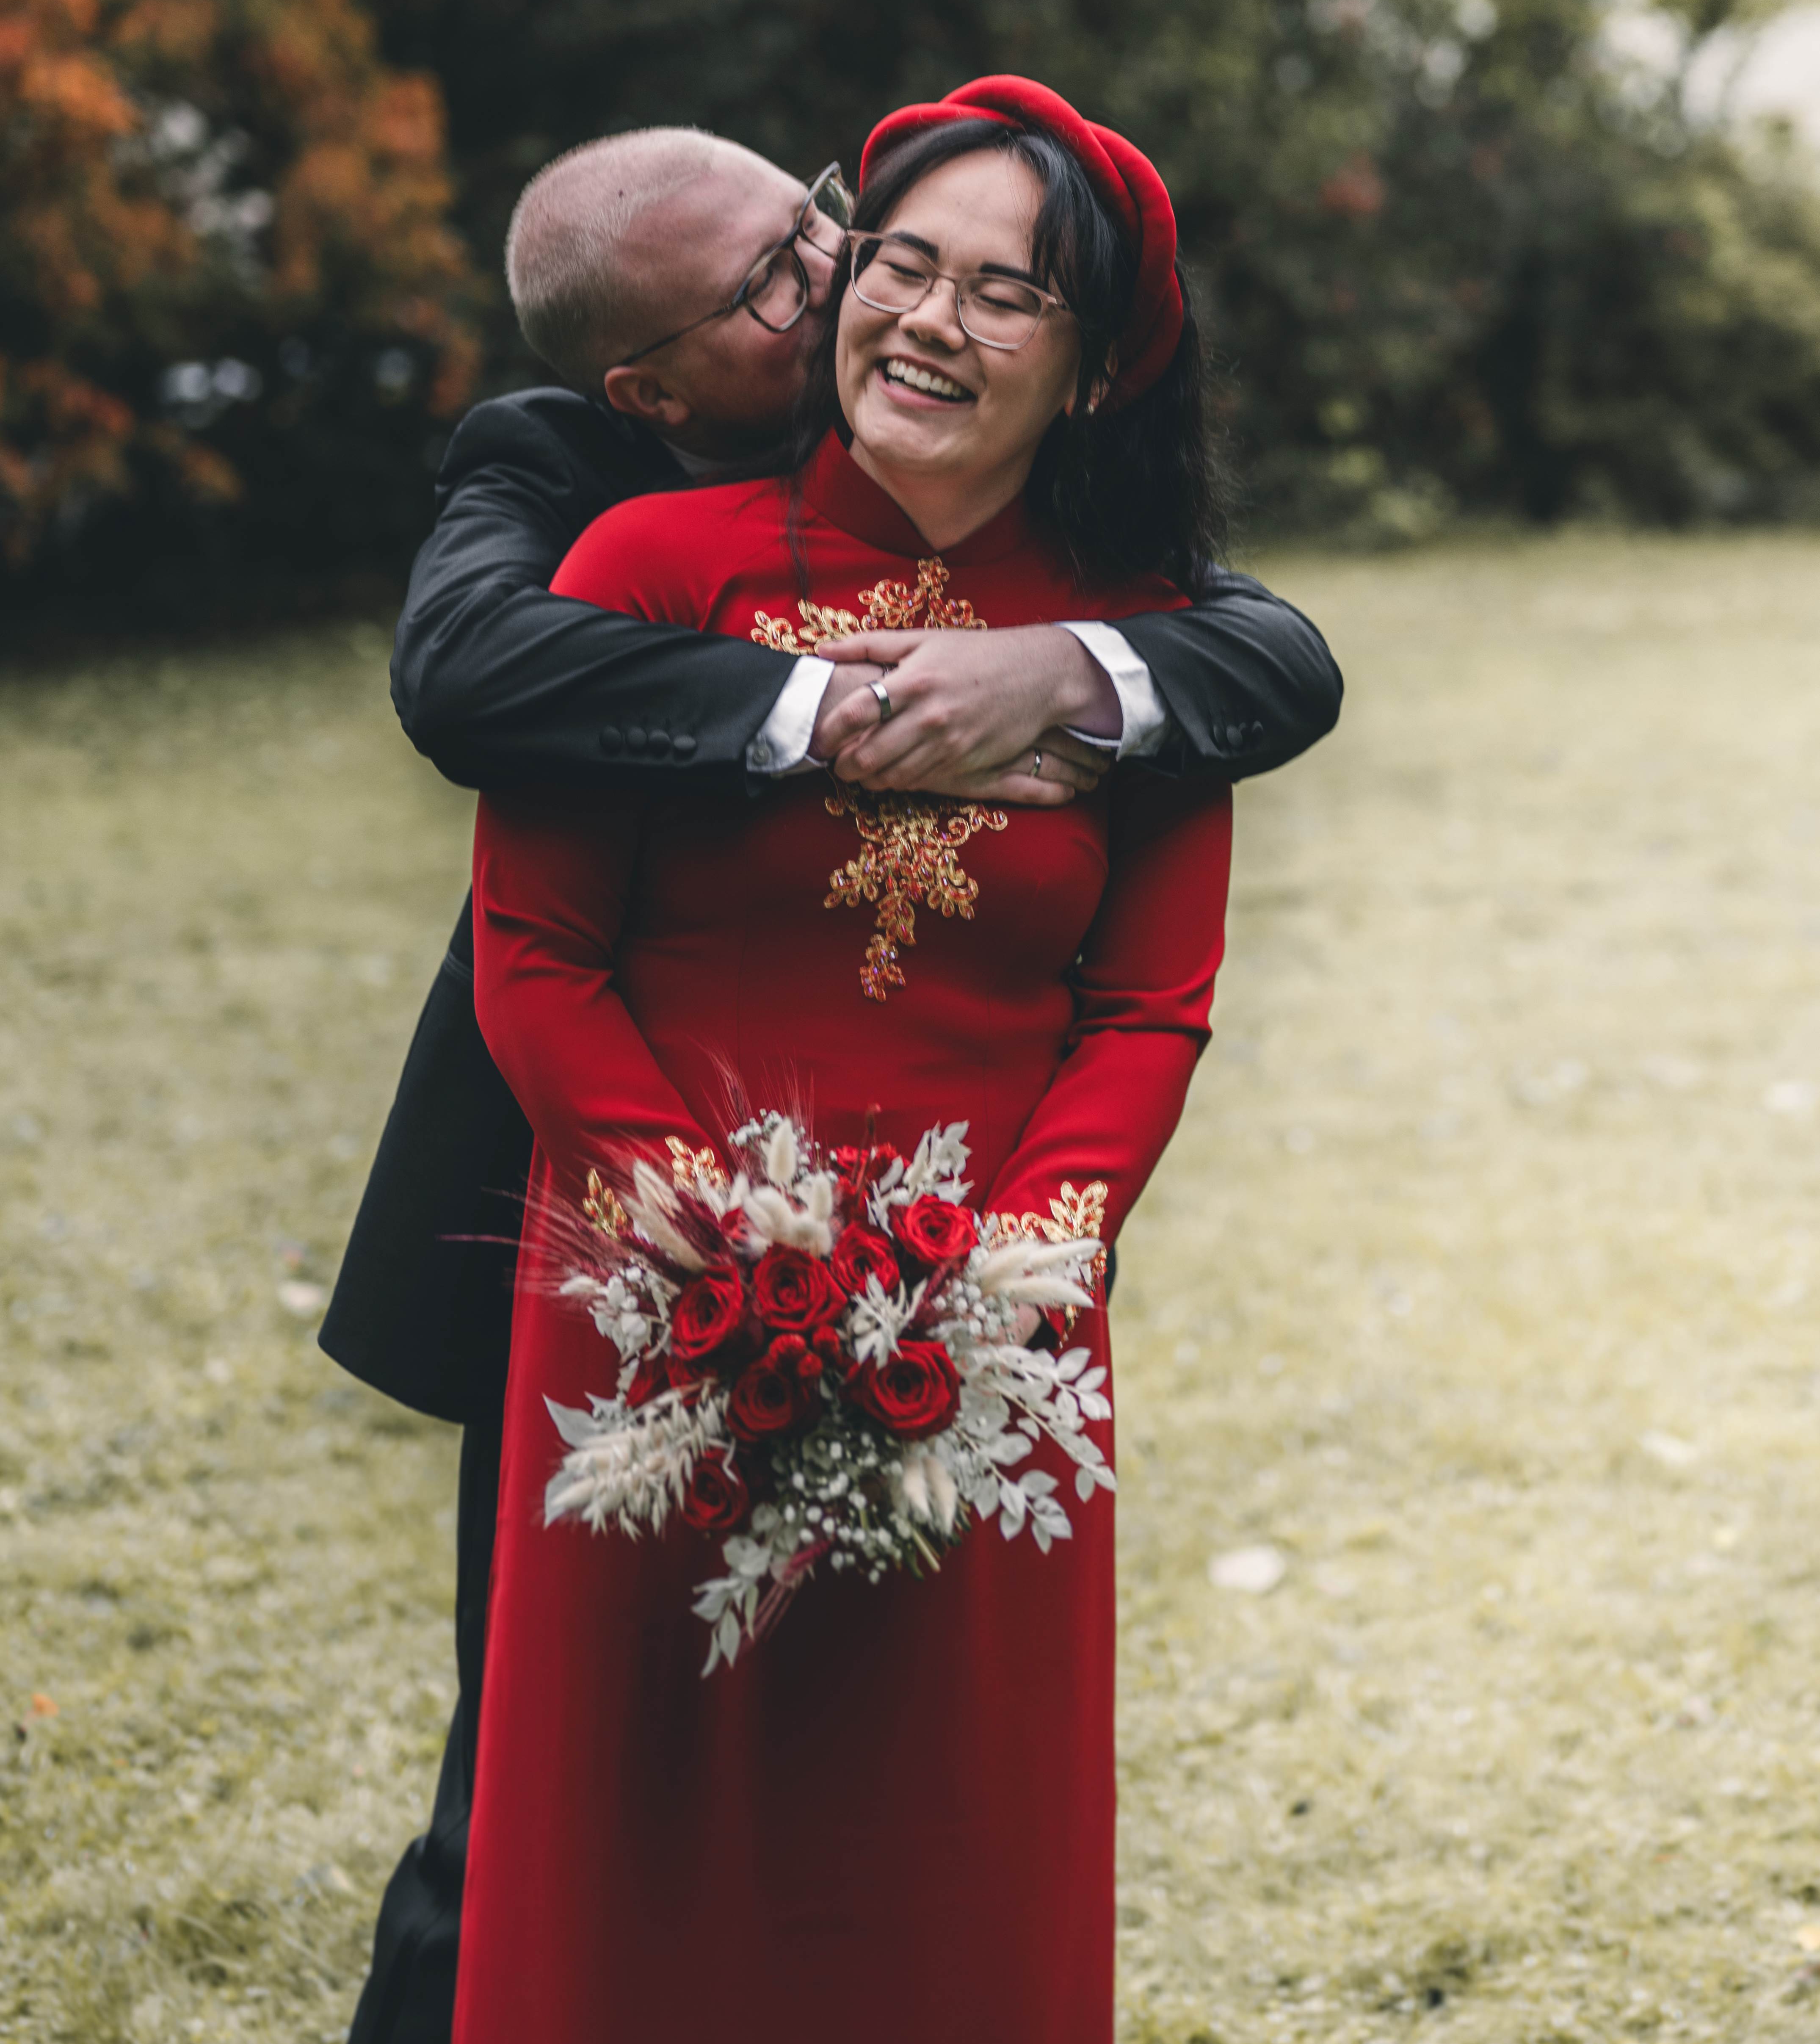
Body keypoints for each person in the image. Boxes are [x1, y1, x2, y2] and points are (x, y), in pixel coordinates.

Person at [326, 117, 1342, 2044]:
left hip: (994, 1310)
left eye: (988, 283)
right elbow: (519, 882)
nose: (873, 300)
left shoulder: (1139, 620)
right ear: (651, 377)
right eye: (867, 265)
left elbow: (1152, 993)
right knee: (568, 1822)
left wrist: (1011, 1273)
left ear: (1094, 350)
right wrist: (699, 1237)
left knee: (930, 1822)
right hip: (641, 1269)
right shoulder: (598, 519)